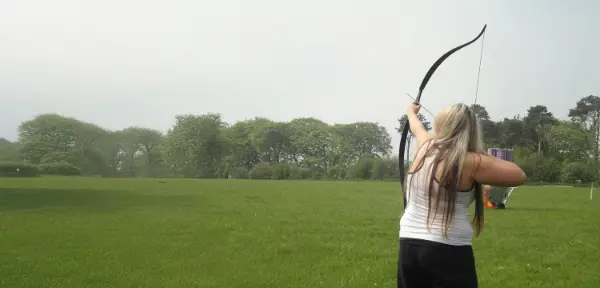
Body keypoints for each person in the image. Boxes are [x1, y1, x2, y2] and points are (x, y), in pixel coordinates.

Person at [397, 103, 527, 288]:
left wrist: (411, 112)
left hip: (409, 246)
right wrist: (481, 154)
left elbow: (416, 126)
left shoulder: (426, 146)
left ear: (441, 125)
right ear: (471, 131)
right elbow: (519, 175)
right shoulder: (470, 161)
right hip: (448, 249)